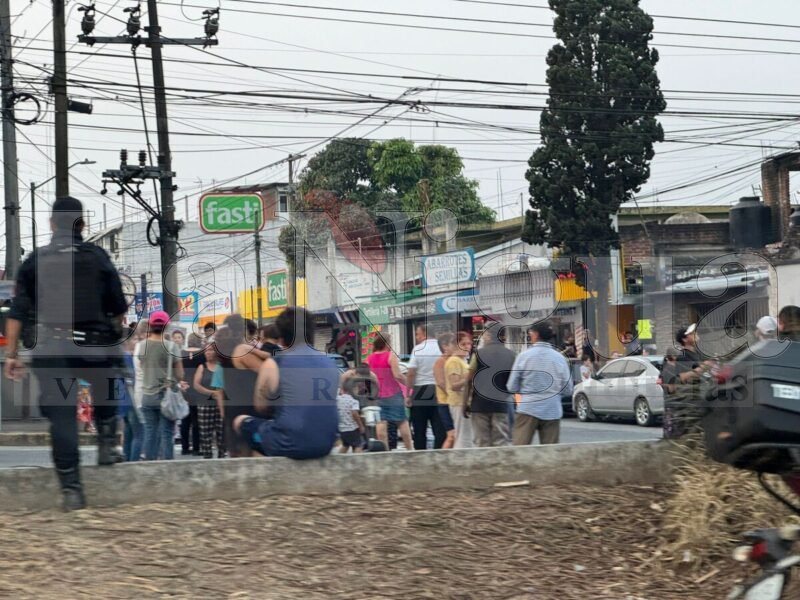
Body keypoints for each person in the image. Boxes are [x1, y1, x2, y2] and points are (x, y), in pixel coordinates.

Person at [3, 196, 129, 511]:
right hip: (95, 345)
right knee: (109, 383)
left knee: (62, 417)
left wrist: (13, 355)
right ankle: (105, 440)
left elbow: (18, 311)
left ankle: (72, 490)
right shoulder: (97, 257)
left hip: (52, 348)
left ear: (51, 224)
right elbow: (118, 306)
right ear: (83, 224)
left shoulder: (36, 259)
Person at [234, 307, 340, 459]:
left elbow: (261, 406)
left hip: (289, 442)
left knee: (242, 422)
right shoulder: (330, 363)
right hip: (325, 444)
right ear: (312, 334)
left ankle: (264, 479)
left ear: (281, 339)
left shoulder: (274, 363)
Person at [508, 321, 573, 446]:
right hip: (552, 410)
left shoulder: (524, 356)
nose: (530, 335)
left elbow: (511, 386)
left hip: (528, 408)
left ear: (536, 334)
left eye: (530, 333)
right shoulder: (560, 358)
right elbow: (568, 389)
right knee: (550, 452)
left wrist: (523, 392)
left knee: (520, 449)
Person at [214, 314, 269, 457]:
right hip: (248, 409)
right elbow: (267, 373)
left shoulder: (225, 351)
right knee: (254, 453)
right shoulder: (242, 350)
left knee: (237, 456)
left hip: (231, 408)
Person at [137, 311, 188, 461]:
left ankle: (150, 464)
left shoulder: (142, 345)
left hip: (147, 395)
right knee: (166, 433)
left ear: (151, 326)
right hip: (166, 396)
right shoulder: (172, 347)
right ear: (166, 327)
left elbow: (141, 365)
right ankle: (167, 468)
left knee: (150, 431)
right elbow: (180, 374)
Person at [467, 326, 516, 447]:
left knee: (481, 442)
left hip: (479, 405)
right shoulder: (511, 355)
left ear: (489, 335)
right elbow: (513, 382)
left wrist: (465, 404)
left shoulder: (478, 354)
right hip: (501, 404)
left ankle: (484, 465)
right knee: (501, 441)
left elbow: (468, 379)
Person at [364, 333, 413, 451]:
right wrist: (410, 385)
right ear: (386, 344)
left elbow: (367, 379)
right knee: (402, 422)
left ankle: (385, 453)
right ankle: (410, 450)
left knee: (381, 425)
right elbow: (398, 375)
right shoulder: (391, 356)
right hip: (394, 395)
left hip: (378, 396)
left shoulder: (369, 359)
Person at [405, 324, 446, 450]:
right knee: (439, 428)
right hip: (438, 390)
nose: (417, 337)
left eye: (417, 334)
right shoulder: (442, 349)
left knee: (419, 429)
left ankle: (420, 456)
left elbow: (411, 373)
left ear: (424, 334)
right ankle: (438, 454)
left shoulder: (417, 349)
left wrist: (408, 394)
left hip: (420, 390)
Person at [193, 343, 226, 459]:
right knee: (205, 433)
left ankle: (222, 456)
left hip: (220, 405)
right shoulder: (202, 367)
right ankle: (208, 456)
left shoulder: (221, 367)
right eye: (206, 351)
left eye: (210, 350)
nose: (207, 353)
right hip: (205, 404)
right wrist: (211, 393)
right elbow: (196, 385)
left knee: (221, 432)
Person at [444, 332, 474, 449]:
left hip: (464, 402)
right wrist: (469, 377)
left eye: (469, 344)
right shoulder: (454, 361)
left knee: (466, 435)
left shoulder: (462, 361)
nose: (467, 347)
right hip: (459, 403)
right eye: (463, 344)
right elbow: (454, 385)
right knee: (463, 436)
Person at [119, 327, 143, 462]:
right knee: (138, 434)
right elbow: (133, 380)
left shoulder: (120, 357)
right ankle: (133, 462)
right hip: (133, 399)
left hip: (123, 401)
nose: (137, 342)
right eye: (135, 339)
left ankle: (126, 459)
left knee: (128, 433)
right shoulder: (129, 358)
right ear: (127, 341)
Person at [179, 337, 204, 456]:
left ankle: (184, 447)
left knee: (185, 419)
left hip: (184, 388)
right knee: (196, 421)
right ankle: (196, 447)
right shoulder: (202, 354)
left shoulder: (181, 353)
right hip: (197, 388)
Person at [433, 332, 456, 449]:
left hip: (454, 402)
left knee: (455, 435)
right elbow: (441, 383)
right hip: (445, 402)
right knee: (451, 435)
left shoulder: (454, 360)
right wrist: (453, 394)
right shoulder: (440, 361)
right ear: (444, 346)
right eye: (453, 343)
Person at [337, 377, 365, 454]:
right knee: (358, 445)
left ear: (342, 389)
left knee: (345, 445)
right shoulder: (353, 401)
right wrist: (361, 426)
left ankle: (338, 460)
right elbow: (354, 413)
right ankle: (357, 463)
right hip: (352, 428)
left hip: (341, 428)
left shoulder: (337, 400)